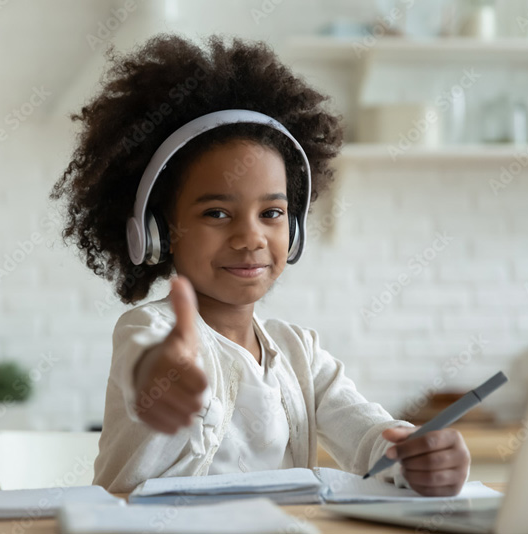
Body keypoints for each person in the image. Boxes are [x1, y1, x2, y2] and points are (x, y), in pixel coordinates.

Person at [50, 32, 470, 495]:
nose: (250, 237)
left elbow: (370, 436)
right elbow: (145, 371)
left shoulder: (300, 353)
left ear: (294, 229)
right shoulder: (149, 332)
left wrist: (415, 454)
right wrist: (161, 377)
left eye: (271, 213)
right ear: (157, 231)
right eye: (216, 213)